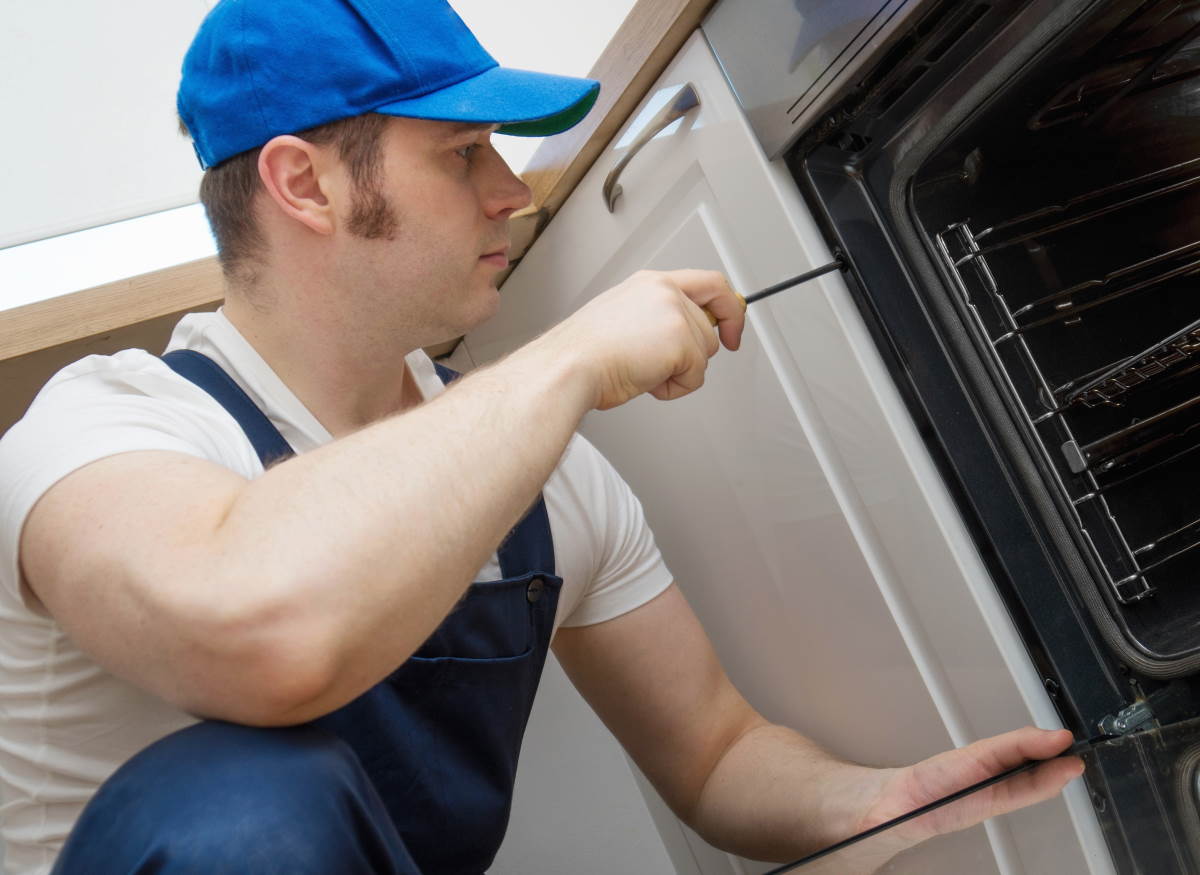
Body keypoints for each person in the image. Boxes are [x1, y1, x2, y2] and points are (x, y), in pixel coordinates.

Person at [0, 0, 1083, 872]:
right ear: (304, 183)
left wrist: (876, 804)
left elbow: (715, 751)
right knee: (240, 802)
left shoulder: (546, 476)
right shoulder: (106, 426)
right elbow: (264, 635)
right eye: (466, 153)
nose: (512, 194)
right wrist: (564, 359)